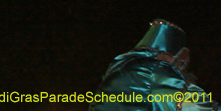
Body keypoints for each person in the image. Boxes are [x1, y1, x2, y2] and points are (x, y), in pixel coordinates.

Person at [89, 19, 217, 111]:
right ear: (167, 54)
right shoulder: (154, 69)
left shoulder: (117, 72)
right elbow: (193, 105)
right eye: (178, 62)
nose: (178, 69)